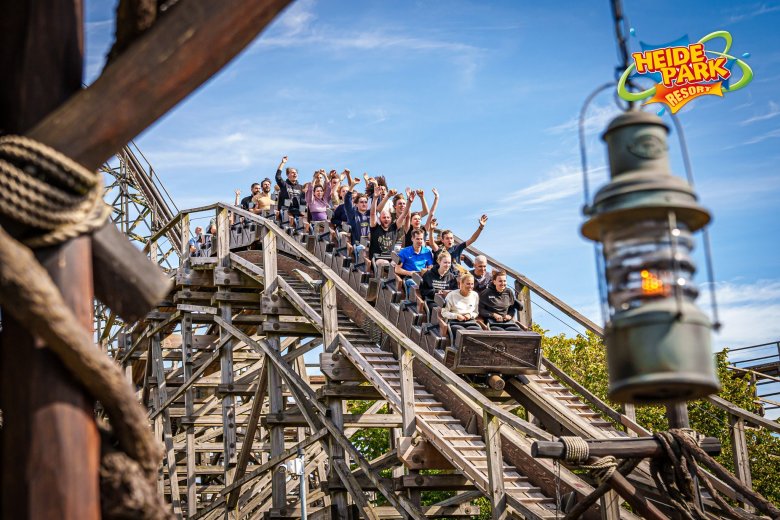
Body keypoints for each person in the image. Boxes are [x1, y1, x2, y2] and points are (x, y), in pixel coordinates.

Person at [368, 180, 402, 275]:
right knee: (386, 264)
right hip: (377, 259)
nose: (386, 219)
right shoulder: (375, 228)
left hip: (391, 259)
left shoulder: (393, 228)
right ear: (380, 218)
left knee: (400, 263)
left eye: (388, 217)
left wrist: (409, 203)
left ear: (391, 219)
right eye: (384, 217)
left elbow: (403, 216)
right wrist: (375, 198)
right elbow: (372, 213)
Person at [440, 273, 481, 344]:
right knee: (463, 333)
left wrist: (470, 315)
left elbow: (476, 312)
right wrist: (456, 316)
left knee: (478, 332)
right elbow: (444, 313)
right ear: (461, 284)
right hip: (455, 322)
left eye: (472, 284)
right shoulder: (451, 295)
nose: (470, 286)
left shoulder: (475, 295)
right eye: (468, 284)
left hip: (469, 321)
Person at [394, 228, 434, 299]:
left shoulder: (427, 252)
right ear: (412, 239)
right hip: (409, 277)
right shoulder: (404, 252)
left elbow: (430, 267)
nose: (420, 241)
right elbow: (397, 269)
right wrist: (411, 273)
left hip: (423, 277)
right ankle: (412, 304)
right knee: (414, 285)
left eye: (421, 239)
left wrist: (426, 271)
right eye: (417, 239)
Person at [419, 250, 459, 318]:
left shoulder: (452, 277)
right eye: (445, 262)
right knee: (439, 310)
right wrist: (437, 292)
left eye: (449, 263)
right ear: (439, 262)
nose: (447, 265)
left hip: (447, 303)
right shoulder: (429, 274)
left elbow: (455, 292)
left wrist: (448, 293)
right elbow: (423, 291)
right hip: (432, 301)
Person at [343, 171, 371, 266]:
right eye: (361, 202)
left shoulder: (371, 214)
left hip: (370, 244)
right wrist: (352, 186)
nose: (364, 204)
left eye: (365, 202)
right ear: (357, 204)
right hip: (358, 245)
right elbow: (347, 201)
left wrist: (370, 183)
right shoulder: (353, 214)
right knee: (362, 249)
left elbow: (375, 200)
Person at [274, 156, 305, 228]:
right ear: (288, 175)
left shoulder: (301, 187)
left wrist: (303, 211)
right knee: (289, 219)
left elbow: (303, 201)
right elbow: (278, 177)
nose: (295, 174)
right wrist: (283, 163)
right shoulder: (284, 184)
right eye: (292, 173)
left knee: (303, 223)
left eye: (296, 173)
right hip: (285, 209)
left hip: (297, 211)